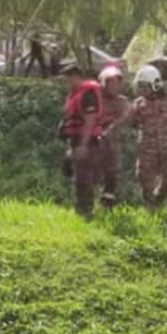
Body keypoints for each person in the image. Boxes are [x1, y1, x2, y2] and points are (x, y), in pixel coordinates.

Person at [112, 65, 167, 211]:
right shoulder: (139, 104)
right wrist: (111, 131)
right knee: (144, 179)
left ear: (155, 85)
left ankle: (158, 199)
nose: (142, 90)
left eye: (145, 86)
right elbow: (125, 121)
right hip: (147, 149)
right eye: (140, 86)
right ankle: (150, 208)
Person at [60, 63, 104, 218]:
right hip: (75, 140)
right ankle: (82, 208)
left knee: (84, 178)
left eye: (68, 78)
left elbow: (90, 121)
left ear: (76, 76)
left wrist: (83, 145)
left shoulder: (87, 95)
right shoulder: (74, 94)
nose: (66, 82)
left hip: (87, 141)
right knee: (78, 176)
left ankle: (86, 210)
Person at [97, 65, 130, 209]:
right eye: (111, 83)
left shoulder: (122, 102)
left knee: (111, 175)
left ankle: (107, 203)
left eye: (117, 83)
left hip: (112, 145)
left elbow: (127, 118)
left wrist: (113, 128)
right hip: (95, 142)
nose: (114, 87)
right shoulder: (95, 100)